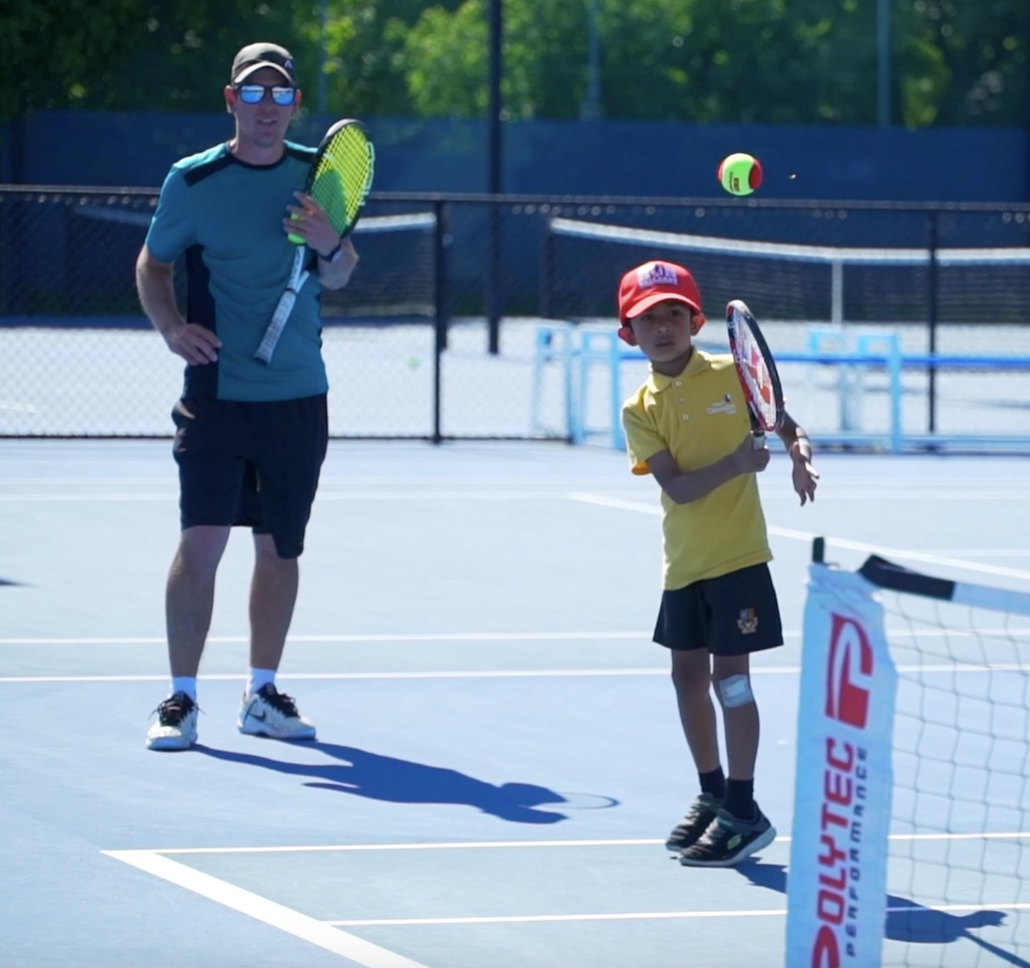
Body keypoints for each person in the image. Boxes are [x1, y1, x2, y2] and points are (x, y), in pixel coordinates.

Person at [135, 42, 359, 751]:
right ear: (232, 101)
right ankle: (180, 699)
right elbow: (153, 263)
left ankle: (262, 691)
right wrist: (171, 326)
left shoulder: (316, 178)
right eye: (254, 94)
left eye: (281, 94)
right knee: (201, 543)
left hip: (298, 396)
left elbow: (344, 273)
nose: (268, 106)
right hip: (218, 394)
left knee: (279, 550)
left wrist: (328, 240)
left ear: (295, 104)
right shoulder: (192, 181)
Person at [617, 260, 819, 867]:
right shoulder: (639, 408)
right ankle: (711, 792)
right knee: (686, 680)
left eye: (674, 313)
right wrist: (735, 463)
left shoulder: (736, 375)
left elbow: (785, 424)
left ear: (695, 321)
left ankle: (744, 806)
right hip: (682, 564)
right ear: (629, 334)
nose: (663, 326)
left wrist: (799, 457)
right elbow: (677, 489)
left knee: (731, 680)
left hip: (738, 560)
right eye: (648, 318)